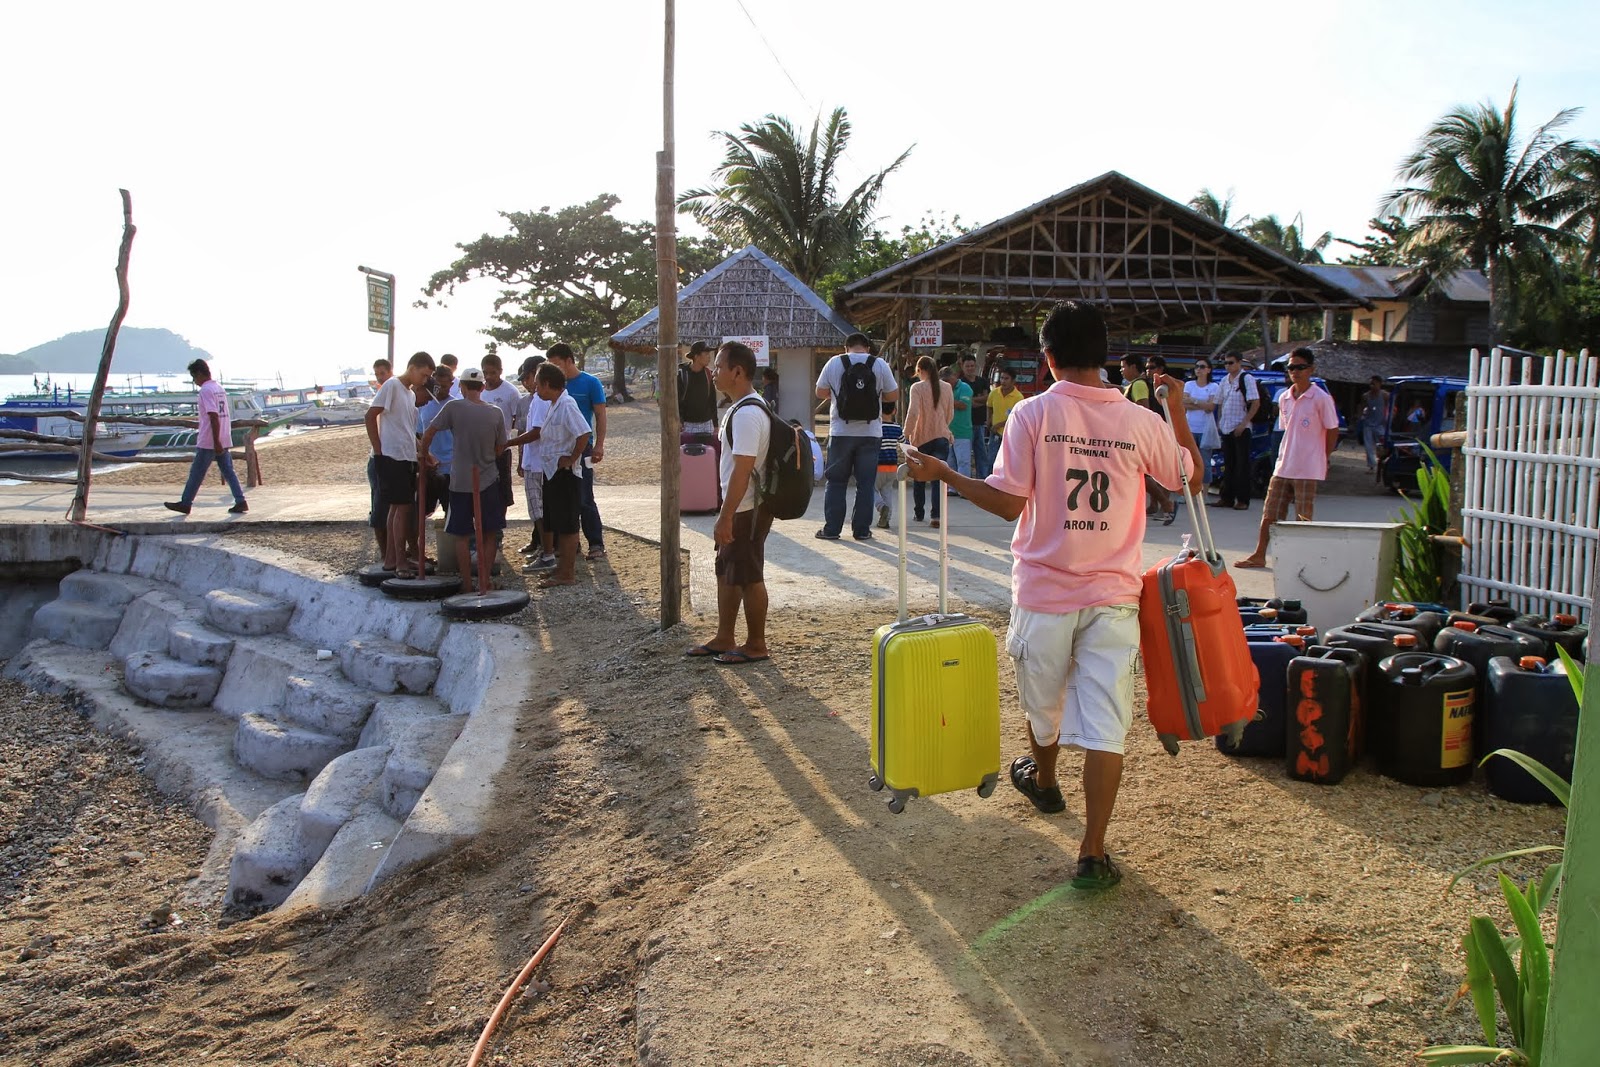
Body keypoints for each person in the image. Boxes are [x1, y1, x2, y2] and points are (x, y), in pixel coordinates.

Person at [903, 300, 1198, 891]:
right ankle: (1093, 852)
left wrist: (945, 475)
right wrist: (1177, 412)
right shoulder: (1139, 419)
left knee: (1044, 709)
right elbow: (1188, 477)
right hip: (1115, 596)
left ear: (1048, 357)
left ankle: (1043, 782)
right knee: (1107, 725)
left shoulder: (1032, 413)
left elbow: (1009, 502)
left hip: (1044, 593)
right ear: (1105, 355)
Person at [683, 342, 773, 666]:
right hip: (742, 506)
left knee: (748, 575)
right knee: (727, 570)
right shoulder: (741, 408)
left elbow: (743, 470)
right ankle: (725, 636)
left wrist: (726, 515)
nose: (713, 371)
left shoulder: (747, 414)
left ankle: (756, 644)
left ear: (738, 372)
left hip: (747, 508)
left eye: (719, 366)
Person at [1237, 348, 1341, 569]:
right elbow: (1287, 430)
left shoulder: (1321, 398)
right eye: (1291, 367)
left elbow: (1332, 429)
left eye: (1300, 367)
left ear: (1311, 369)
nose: (1295, 371)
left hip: (1308, 467)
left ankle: (1300, 559)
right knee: (1270, 513)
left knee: (1303, 516)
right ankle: (1259, 554)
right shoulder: (1284, 397)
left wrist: (1324, 456)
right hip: (1284, 464)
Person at [420, 368, 507, 591]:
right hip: (487, 478)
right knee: (489, 533)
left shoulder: (454, 407)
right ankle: (485, 580)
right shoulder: (495, 412)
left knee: (461, 534)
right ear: (483, 387)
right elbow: (501, 447)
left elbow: (429, 432)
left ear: (462, 386)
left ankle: (467, 584)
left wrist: (425, 456)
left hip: (460, 480)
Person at [505, 363, 592, 587]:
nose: (535, 389)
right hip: (552, 471)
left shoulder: (567, 404)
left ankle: (567, 574)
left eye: (537, 385)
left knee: (569, 525)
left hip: (565, 473)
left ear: (546, 384)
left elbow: (583, 433)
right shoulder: (555, 404)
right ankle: (561, 569)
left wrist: (571, 458)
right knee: (559, 522)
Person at [813, 332, 901, 541]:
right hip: (871, 433)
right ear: (867, 348)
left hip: (841, 432)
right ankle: (861, 531)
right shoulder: (879, 364)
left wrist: (837, 395)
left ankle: (832, 529)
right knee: (866, 484)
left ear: (846, 348)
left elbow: (819, 391)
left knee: (836, 482)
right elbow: (893, 395)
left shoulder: (835, 362)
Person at [365, 351, 435, 575]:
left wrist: (423, 451)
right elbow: (370, 416)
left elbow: (408, 429)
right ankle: (399, 561)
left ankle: (392, 559)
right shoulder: (392, 385)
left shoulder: (410, 394)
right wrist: (379, 450)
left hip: (406, 456)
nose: (425, 380)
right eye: (424, 375)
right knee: (400, 509)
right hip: (391, 456)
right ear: (412, 368)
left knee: (398, 508)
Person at [545, 343, 608, 561]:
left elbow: (600, 415)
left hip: (583, 447)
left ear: (569, 361)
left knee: (584, 496)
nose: (554, 369)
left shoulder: (590, 382)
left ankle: (596, 543)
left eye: (557, 364)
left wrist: (599, 445)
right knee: (564, 499)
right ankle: (571, 545)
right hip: (559, 450)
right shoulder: (554, 385)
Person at [163, 358, 248, 516]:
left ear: (200, 374)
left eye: (194, 377)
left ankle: (186, 502)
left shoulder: (206, 390)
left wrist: (216, 441)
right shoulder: (219, 388)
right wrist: (220, 439)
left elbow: (213, 415)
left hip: (210, 439)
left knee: (197, 472)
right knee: (228, 470)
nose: (194, 381)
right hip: (223, 436)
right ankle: (240, 500)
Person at [903, 355, 955, 527]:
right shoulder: (947, 387)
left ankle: (919, 513)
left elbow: (913, 413)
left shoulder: (917, 388)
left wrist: (906, 434)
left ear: (919, 370)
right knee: (938, 477)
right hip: (941, 436)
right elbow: (950, 414)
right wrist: (942, 426)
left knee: (919, 476)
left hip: (921, 438)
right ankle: (936, 516)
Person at [514, 357, 556, 570]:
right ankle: (545, 549)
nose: (527, 383)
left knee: (539, 511)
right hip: (536, 462)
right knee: (539, 510)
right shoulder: (536, 400)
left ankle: (548, 554)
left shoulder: (540, 400)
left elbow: (536, 432)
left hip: (538, 464)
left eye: (529, 378)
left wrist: (508, 443)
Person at [1211, 352, 1262, 511]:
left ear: (1239, 363)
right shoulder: (1224, 380)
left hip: (1241, 427)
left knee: (1242, 465)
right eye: (1226, 363)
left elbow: (1255, 403)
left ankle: (1242, 499)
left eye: (1231, 362)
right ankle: (1227, 497)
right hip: (1227, 427)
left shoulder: (1246, 379)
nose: (1228, 366)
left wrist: (1244, 423)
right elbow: (1220, 402)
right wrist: (1220, 422)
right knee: (1229, 464)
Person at [418, 363, 457, 521]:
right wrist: (424, 456)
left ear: (451, 384)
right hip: (429, 466)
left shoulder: (455, 405)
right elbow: (418, 434)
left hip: (451, 467)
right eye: (437, 386)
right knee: (422, 510)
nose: (440, 390)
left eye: (444, 386)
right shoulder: (424, 403)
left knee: (452, 511)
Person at [1182, 358, 1222, 489]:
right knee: (1188, 461)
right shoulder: (1189, 385)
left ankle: (1204, 492)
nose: (1199, 369)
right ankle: (1189, 490)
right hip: (1190, 427)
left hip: (1205, 429)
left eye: (1202, 367)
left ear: (1208, 370)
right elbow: (1183, 403)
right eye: (1197, 366)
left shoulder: (1213, 387)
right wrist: (1201, 404)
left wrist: (1193, 401)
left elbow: (1211, 407)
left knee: (1205, 462)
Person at [678, 341, 719, 436]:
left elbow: (712, 401)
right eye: (706, 354)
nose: (709, 357)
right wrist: (679, 420)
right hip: (687, 425)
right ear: (696, 356)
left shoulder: (709, 374)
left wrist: (716, 425)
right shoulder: (682, 374)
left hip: (707, 424)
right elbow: (677, 401)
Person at [872, 402, 902, 529]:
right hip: (892, 467)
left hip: (878, 466)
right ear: (894, 411)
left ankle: (881, 506)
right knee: (887, 492)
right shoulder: (897, 428)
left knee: (871, 489)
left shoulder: (877, 427)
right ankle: (886, 519)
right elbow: (904, 442)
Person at [961, 355, 992, 478]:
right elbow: (968, 403)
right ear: (963, 367)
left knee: (982, 454)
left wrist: (973, 400)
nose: (970, 368)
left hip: (981, 423)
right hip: (966, 425)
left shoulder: (983, 381)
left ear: (976, 366)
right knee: (966, 456)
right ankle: (967, 479)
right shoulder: (961, 383)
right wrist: (979, 400)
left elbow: (988, 398)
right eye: (967, 366)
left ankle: (983, 478)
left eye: (972, 366)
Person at [944, 365, 974, 488]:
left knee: (963, 461)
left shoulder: (965, 388)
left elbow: (963, 405)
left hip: (962, 431)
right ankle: (952, 487)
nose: (946, 384)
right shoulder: (944, 389)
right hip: (947, 431)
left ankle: (964, 488)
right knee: (950, 461)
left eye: (947, 381)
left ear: (954, 376)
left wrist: (945, 400)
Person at [1357, 375, 1392, 473]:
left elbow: (1391, 407)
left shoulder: (1385, 395)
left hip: (1381, 424)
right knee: (1368, 446)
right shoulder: (1366, 396)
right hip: (1368, 424)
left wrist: (1389, 418)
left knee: (1383, 445)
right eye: (1371, 384)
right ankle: (1371, 466)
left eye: (1374, 384)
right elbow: (1361, 407)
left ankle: (1384, 463)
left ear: (1379, 384)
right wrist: (1360, 418)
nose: (1372, 386)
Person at [988, 368, 1023, 440]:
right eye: (1001, 378)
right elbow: (989, 406)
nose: (1003, 381)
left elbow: (1016, 417)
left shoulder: (1018, 397)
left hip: (1010, 434)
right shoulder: (994, 393)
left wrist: (998, 425)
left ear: (1013, 381)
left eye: (1006, 378)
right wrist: (989, 420)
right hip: (995, 433)